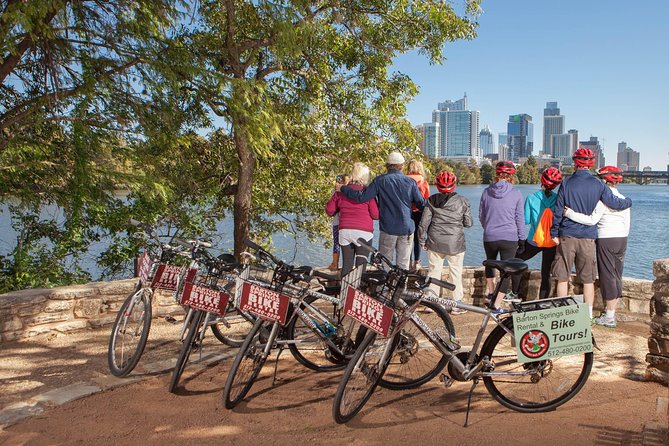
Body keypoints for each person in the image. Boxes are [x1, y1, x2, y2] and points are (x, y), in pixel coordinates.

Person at [550, 148, 632, 319]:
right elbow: (614, 203)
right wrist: (629, 202)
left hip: (567, 235)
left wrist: (554, 232)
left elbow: (558, 210)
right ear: (591, 163)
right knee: (588, 279)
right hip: (588, 238)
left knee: (562, 277)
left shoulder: (566, 183)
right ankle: (586, 316)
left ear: (575, 163)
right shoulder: (598, 184)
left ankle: (563, 314)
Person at [564, 166, 630, 328]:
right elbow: (627, 223)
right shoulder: (622, 198)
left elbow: (592, 220)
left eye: (600, 178)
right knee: (616, 274)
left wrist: (569, 213)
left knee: (607, 275)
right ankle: (611, 312)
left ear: (605, 180)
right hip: (621, 238)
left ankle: (609, 316)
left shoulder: (603, 199)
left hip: (606, 238)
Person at [338, 151, 425, 270]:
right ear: (402, 165)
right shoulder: (410, 182)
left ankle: (385, 289)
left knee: (385, 263)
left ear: (387, 165)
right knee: (403, 265)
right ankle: (400, 289)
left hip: (388, 228)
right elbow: (421, 204)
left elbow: (361, 197)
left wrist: (343, 188)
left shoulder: (379, 181)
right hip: (406, 228)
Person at [417, 171, 472, 315]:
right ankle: (456, 305)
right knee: (455, 273)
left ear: (438, 185)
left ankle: (431, 304)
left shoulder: (431, 200)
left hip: (435, 242)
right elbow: (468, 223)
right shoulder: (462, 200)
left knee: (434, 272)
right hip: (456, 243)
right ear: (454, 185)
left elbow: (423, 224)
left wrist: (422, 240)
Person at [509, 167, 563, 301]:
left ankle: (515, 292)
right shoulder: (559, 200)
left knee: (516, 261)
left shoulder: (532, 198)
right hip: (551, 241)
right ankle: (543, 301)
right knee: (546, 273)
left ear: (542, 181)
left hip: (534, 240)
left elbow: (526, 220)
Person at [479, 160, 525, 313]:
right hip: (509, 237)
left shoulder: (486, 192)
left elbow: (482, 216)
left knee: (490, 265)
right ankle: (496, 305)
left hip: (490, 236)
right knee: (507, 272)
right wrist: (522, 238)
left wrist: (489, 227)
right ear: (511, 176)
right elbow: (519, 218)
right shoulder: (516, 193)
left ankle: (491, 293)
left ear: (496, 174)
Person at [325, 164, 378, 277]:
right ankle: (358, 292)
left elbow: (329, 210)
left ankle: (344, 292)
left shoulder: (342, 191)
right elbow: (375, 215)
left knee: (347, 265)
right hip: (364, 232)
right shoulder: (367, 192)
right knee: (361, 266)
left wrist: (337, 195)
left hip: (345, 231)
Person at [406, 159, 431, 271]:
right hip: (420, 213)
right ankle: (417, 261)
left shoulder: (404, 181)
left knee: (407, 238)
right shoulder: (424, 183)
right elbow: (427, 200)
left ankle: (408, 261)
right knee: (418, 237)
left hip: (407, 212)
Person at [327, 174, 349, 271]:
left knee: (336, 243)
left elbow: (330, 208)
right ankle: (346, 264)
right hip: (347, 223)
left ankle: (335, 264)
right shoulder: (350, 192)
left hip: (337, 222)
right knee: (347, 245)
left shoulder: (335, 192)